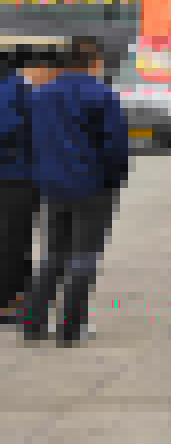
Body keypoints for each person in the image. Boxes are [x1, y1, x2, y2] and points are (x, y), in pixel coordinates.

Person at [21, 38, 129, 346]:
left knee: (52, 255)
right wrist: (114, 180)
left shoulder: (40, 96)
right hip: (91, 187)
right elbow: (115, 146)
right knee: (84, 257)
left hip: (53, 186)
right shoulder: (101, 94)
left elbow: (31, 140)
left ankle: (33, 324)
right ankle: (71, 328)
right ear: (94, 61)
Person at [0, 46, 39, 325]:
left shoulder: (17, 88)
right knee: (14, 239)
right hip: (16, 176)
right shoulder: (15, 89)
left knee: (16, 239)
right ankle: (8, 302)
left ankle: (20, 296)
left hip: (18, 175)